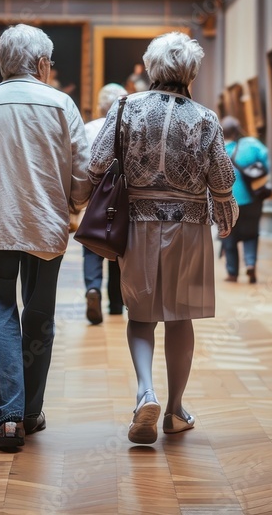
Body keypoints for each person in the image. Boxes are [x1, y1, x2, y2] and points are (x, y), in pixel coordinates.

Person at [0, 24, 90, 453]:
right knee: (39, 314)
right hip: (45, 228)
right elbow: (82, 175)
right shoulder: (62, 104)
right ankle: (29, 412)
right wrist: (74, 204)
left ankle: (9, 418)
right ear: (43, 65)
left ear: (2, 63)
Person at [89, 32, 238, 444]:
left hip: (136, 224)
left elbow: (97, 162)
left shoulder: (124, 108)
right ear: (191, 71)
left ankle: (144, 392)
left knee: (140, 314)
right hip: (188, 227)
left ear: (152, 67)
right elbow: (222, 178)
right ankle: (174, 411)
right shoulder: (205, 118)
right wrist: (225, 210)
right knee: (180, 316)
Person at [83, 82, 127, 324]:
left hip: (95, 196)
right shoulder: (129, 128)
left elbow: (82, 165)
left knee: (91, 245)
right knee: (117, 245)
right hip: (122, 197)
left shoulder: (89, 128)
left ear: (101, 106)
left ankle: (93, 288)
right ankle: (116, 303)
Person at [220, 117, 270, 284]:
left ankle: (232, 273)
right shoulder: (251, 144)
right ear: (238, 129)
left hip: (227, 203)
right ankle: (250, 264)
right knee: (251, 234)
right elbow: (267, 161)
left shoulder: (219, 150)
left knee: (229, 238)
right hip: (251, 200)